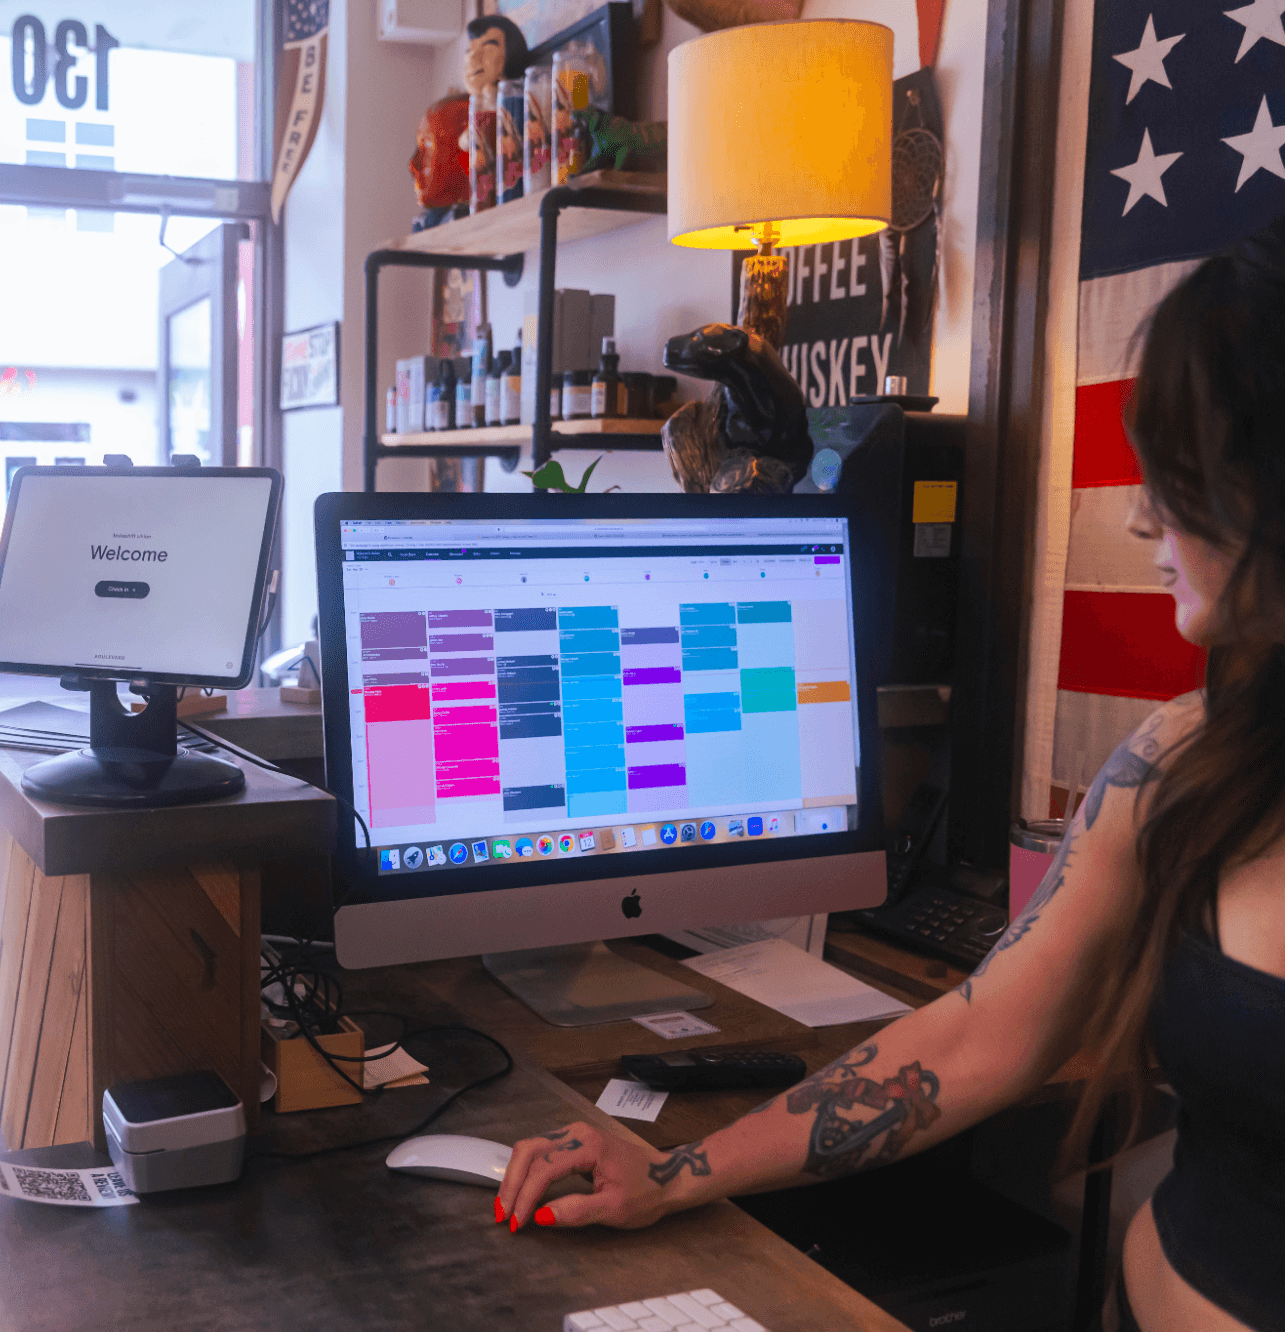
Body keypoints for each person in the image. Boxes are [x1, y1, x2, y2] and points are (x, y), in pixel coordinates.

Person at [497, 220, 1285, 1332]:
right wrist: (674, 1172)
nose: (1141, 512)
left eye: (1188, 475)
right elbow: (980, 1031)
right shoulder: (1181, 762)